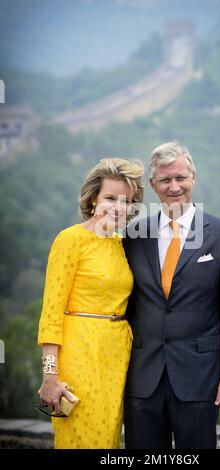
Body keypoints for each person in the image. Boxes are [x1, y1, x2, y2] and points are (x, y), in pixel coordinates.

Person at [123, 141, 220, 449]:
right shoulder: (133, 235)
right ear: (153, 184)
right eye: (166, 180)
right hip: (142, 376)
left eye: (181, 177)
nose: (175, 186)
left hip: (200, 376)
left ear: (193, 177)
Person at [37, 158, 144, 449]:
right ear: (94, 197)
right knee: (83, 439)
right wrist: (50, 375)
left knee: (108, 440)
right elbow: (51, 313)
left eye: (126, 200)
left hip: (117, 356)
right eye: (110, 197)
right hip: (79, 354)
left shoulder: (122, 244)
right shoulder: (71, 240)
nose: (117, 207)